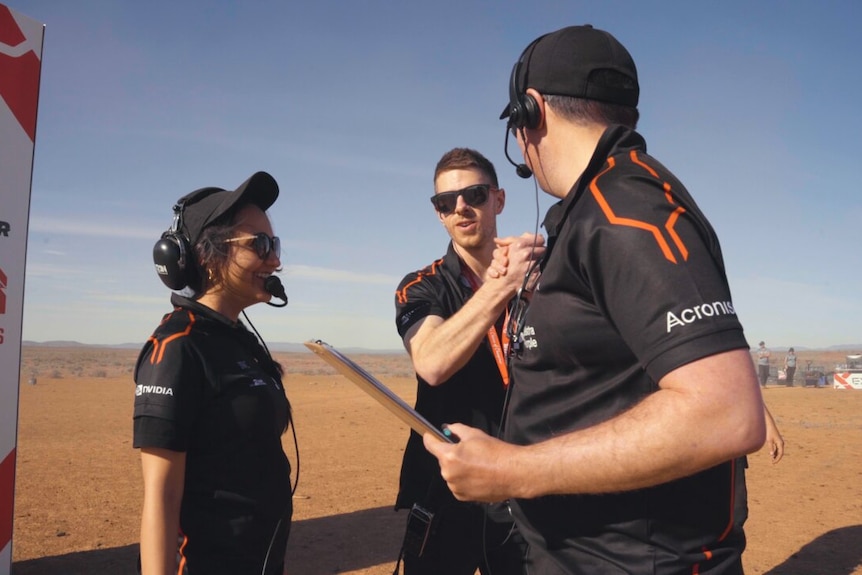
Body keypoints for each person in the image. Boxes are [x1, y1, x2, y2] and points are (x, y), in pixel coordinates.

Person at [424, 25, 767, 574]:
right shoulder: (593, 211)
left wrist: (514, 470)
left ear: (530, 112)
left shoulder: (626, 211)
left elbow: (724, 412)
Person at [133, 172, 293, 575]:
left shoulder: (240, 341)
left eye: (274, 244)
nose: (274, 260)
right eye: (259, 244)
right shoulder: (177, 348)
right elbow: (161, 497)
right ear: (206, 255)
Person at [393, 148, 542, 574]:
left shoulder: (541, 277)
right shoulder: (421, 287)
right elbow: (433, 362)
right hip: (444, 491)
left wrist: (543, 287)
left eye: (473, 194)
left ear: (498, 200)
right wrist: (501, 288)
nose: (460, 206)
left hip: (524, 486)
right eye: (446, 201)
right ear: (438, 214)